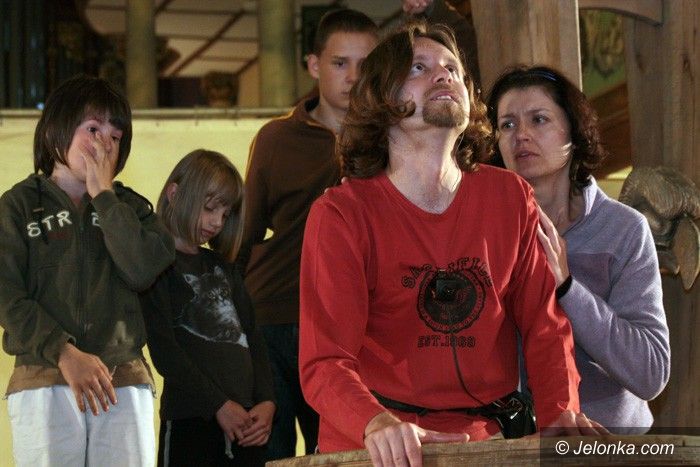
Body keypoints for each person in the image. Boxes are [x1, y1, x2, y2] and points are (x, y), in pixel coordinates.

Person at [299, 21, 605, 467]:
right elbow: (325, 360)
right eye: (419, 67)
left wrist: (561, 414)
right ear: (381, 98)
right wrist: (375, 422)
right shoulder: (341, 214)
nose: (443, 75)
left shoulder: (510, 197)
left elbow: (545, 326)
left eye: (453, 69)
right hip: (377, 444)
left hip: (487, 442)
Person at [0, 75, 175, 466]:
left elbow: (142, 270)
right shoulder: (17, 206)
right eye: (93, 129)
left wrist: (105, 198)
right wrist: (62, 352)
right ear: (55, 130)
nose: (103, 144)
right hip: (43, 376)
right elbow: (7, 295)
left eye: (115, 136)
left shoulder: (133, 209)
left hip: (122, 380)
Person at [486, 65, 670, 432]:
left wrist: (568, 287)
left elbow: (650, 373)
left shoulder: (623, 230)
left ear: (573, 133)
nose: (521, 135)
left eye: (539, 119)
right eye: (507, 125)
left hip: (611, 439)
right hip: (514, 440)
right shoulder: (483, 230)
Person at [237, 8, 378, 460]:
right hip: (274, 316)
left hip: (351, 327)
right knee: (270, 454)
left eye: (365, 64)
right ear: (315, 65)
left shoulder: (389, 141)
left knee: (342, 454)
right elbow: (244, 233)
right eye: (340, 63)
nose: (353, 77)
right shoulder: (276, 138)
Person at [140, 149, 275, 466]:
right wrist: (218, 405)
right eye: (210, 208)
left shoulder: (222, 266)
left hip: (246, 424)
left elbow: (253, 336)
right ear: (175, 194)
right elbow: (165, 352)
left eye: (225, 215)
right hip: (191, 420)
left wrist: (267, 401)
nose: (217, 222)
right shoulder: (155, 266)